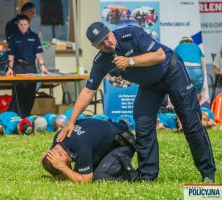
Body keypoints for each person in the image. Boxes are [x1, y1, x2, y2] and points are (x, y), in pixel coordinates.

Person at [59, 22, 216, 182]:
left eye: (107, 37)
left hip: (172, 72)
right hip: (149, 85)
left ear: (110, 32)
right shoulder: (101, 61)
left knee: (190, 123)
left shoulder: (131, 34)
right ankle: (147, 176)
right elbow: (88, 91)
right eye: (101, 43)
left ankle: (208, 173)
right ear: (95, 46)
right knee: (142, 124)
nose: (107, 43)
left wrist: (130, 61)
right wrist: (71, 121)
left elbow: (159, 55)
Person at [42, 118, 137, 183]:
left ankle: (133, 176)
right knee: (77, 174)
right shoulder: (58, 139)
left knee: (100, 177)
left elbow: (86, 180)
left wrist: (63, 167)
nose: (70, 162)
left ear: (65, 157)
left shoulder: (80, 146)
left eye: (67, 163)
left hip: (122, 143)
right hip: (104, 142)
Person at [6, 15, 49, 117]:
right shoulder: (13, 38)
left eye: (25, 24)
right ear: (18, 25)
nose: (23, 26)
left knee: (30, 94)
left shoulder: (34, 37)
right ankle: (19, 116)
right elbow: (11, 55)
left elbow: (39, 54)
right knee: (18, 95)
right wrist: (10, 69)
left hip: (31, 68)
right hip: (18, 68)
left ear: (28, 25)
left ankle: (27, 115)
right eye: (21, 24)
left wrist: (42, 66)